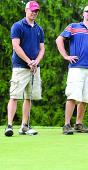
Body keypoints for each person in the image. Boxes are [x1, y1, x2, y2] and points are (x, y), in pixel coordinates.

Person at [56, 5, 88, 135]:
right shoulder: (73, 26)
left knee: (85, 97)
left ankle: (78, 124)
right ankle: (66, 124)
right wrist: (66, 56)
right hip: (76, 67)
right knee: (73, 95)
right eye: (87, 11)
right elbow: (59, 40)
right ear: (83, 14)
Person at [4, 1, 45, 137]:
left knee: (29, 98)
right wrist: (28, 61)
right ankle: (9, 126)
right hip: (20, 67)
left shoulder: (39, 29)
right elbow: (16, 45)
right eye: (32, 10)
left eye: (36, 11)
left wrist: (36, 62)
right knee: (14, 96)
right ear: (26, 10)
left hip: (34, 68)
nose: (34, 13)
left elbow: (42, 49)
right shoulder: (18, 26)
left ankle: (24, 126)